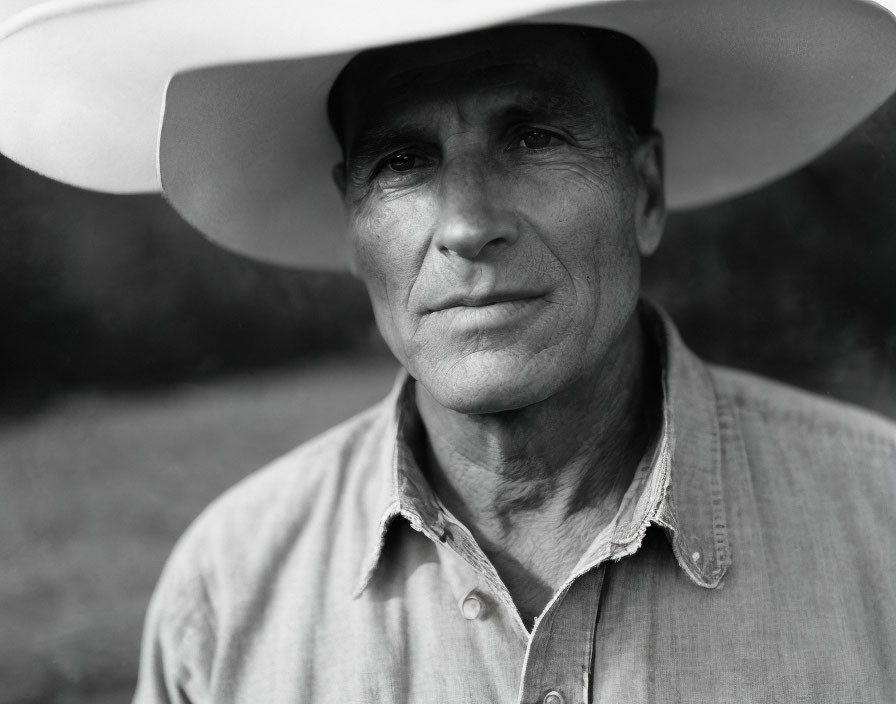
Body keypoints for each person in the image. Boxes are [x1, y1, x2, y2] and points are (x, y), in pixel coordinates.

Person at [1, 1, 895, 702]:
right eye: (401, 161)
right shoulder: (228, 592)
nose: (467, 226)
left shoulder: (878, 524)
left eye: (534, 138)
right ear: (353, 224)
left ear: (646, 192)